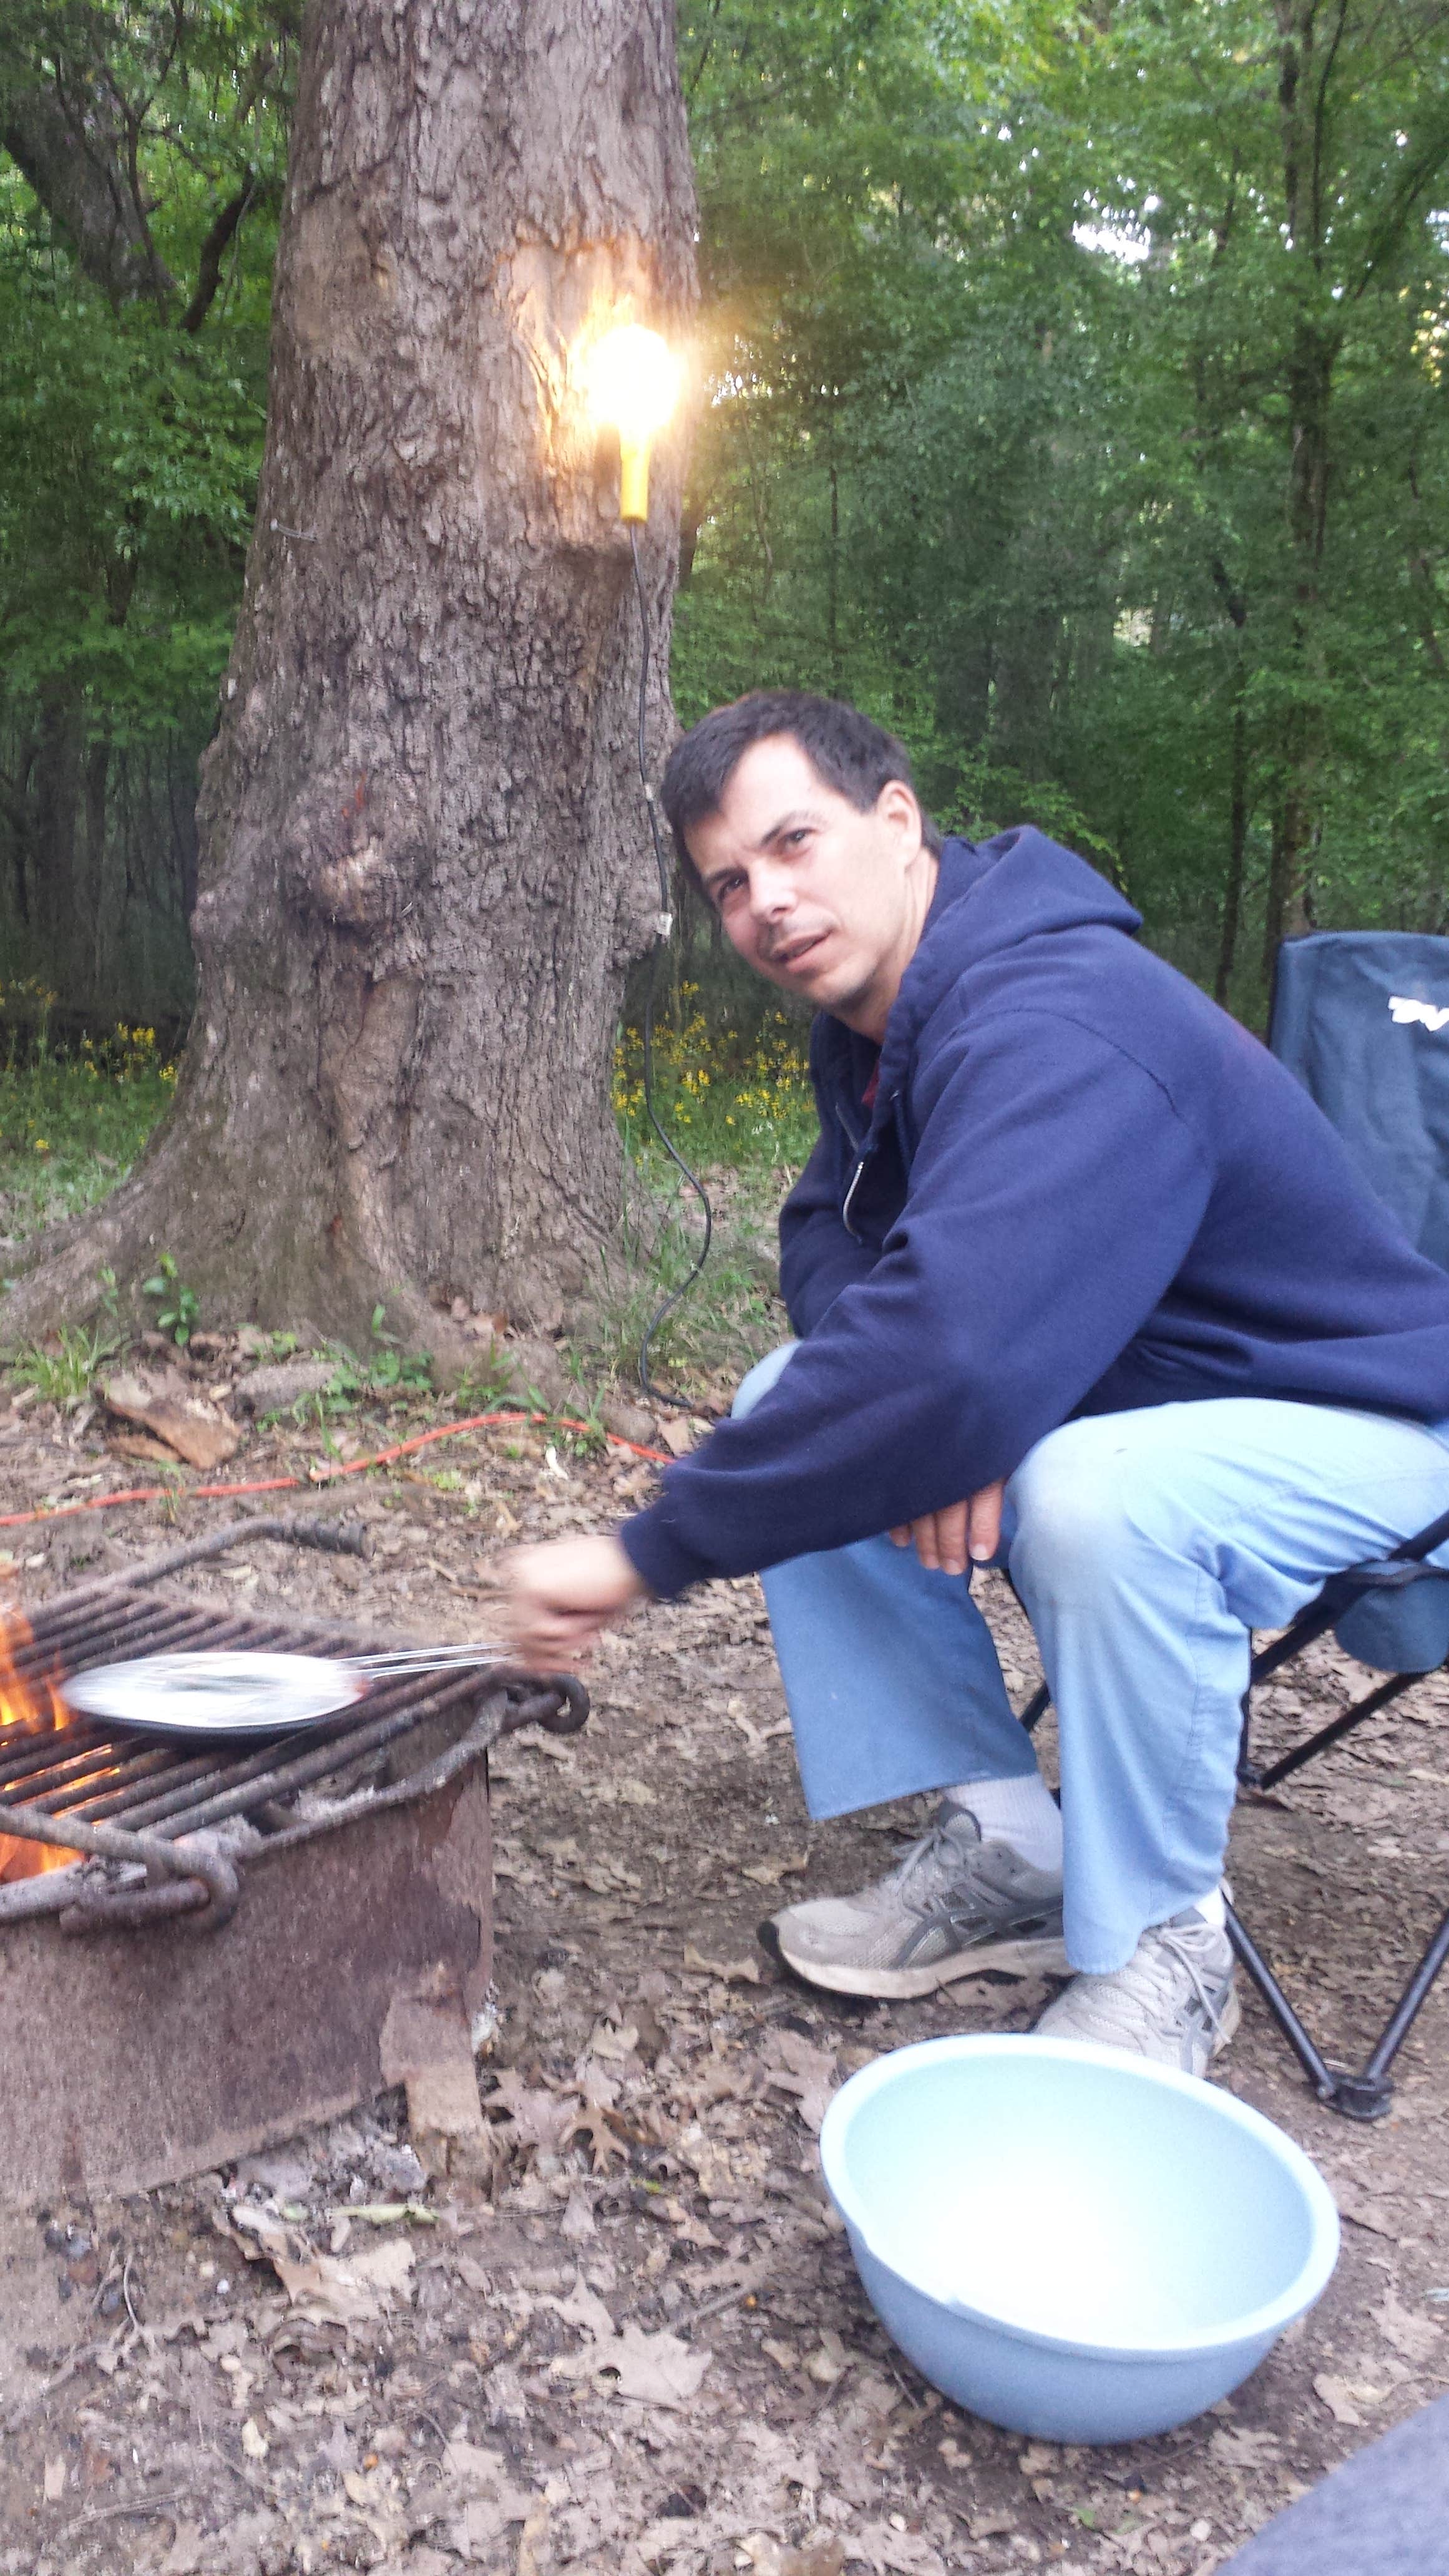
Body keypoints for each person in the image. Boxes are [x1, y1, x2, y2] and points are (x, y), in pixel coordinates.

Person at [500, 691, 1449, 2074]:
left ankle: (1165, 1950)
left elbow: (949, 1351)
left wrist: (648, 1550)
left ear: (896, 822)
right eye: (729, 883)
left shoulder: (1062, 1017)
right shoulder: (886, 1023)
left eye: (794, 843)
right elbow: (831, 1235)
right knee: (800, 1391)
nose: (767, 901)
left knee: (1080, 1490)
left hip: (1383, 1425)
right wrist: (968, 1409)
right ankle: (1012, 1842)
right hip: (1170, 1401)